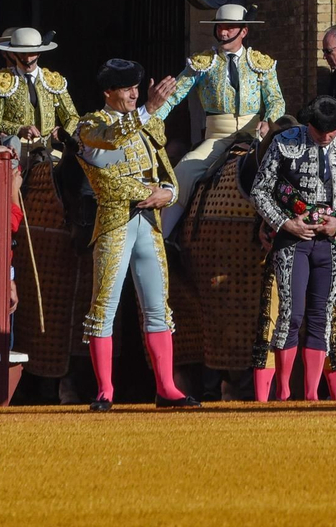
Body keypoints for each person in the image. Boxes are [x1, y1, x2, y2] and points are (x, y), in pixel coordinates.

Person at [74, 59, 198, 410]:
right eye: (126, 89)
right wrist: (148, 109)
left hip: (149, 223)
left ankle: (166, 387)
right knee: (104, 308)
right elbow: (110, 143)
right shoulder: (91, 125)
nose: (133, 94)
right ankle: (104, 390)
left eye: (136, 88)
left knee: (158, 308)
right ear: (107, 93)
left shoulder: (147, 124)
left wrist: (169, 194)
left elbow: (165, 172)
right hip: (115, 221)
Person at [248, 95, 336, 401]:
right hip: (293, 241)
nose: (327, 136)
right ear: (309, 124)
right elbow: (259, 190)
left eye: (332, 131)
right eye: (321, 131)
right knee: (291, 314)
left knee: (321, 316)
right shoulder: (285, 143)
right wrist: (285, 223)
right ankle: (283, 392)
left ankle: (310, 396)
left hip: (330, 243)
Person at [157, 4, 286, 218]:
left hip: (255, 135)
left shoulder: (261, 63)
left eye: (230, 27)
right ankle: (164, 240)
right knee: (183, 173)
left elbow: (275, 100)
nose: (223, 32)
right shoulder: (203, 63)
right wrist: (150, 122)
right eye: (220, 27)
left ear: (244, 31)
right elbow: (172, 98)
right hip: (216, 138)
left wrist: (269, 121)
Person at [0, 27, 79, 146]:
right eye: (23, 54)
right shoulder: (0, 81)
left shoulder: (53, 80)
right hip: (13, 149)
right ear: (14, 54)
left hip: (47, 149)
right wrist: (19, 129)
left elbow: (72, 117)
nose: (27, 59)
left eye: (32, 53)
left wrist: (63, 132)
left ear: (39, 54)